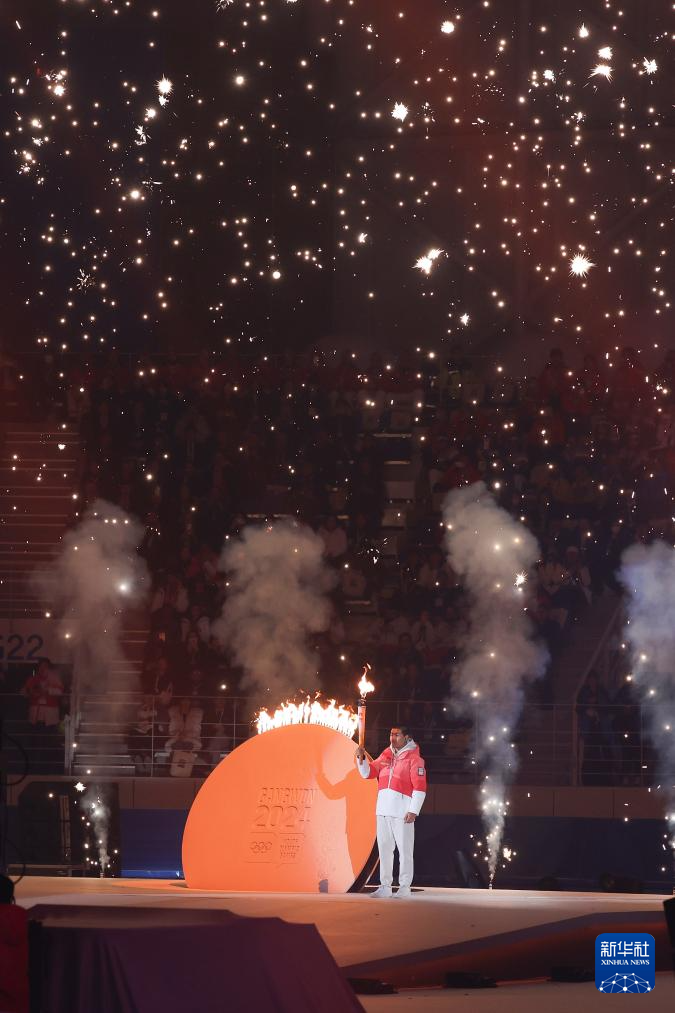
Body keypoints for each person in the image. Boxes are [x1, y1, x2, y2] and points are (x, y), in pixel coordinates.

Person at [355, 725, 427, 898]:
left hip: (402, 812)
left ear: (407, 737)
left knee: (405, 851)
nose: (392, 738)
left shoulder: (415, 759)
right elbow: (367, 773)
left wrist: (413, 810)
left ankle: (404, 887)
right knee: (384, 850)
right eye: (391, 734)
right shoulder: (386, 755)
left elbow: (420, 787)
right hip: (383, 810)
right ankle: (385, 886)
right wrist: (360, 758)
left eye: (397, 735)